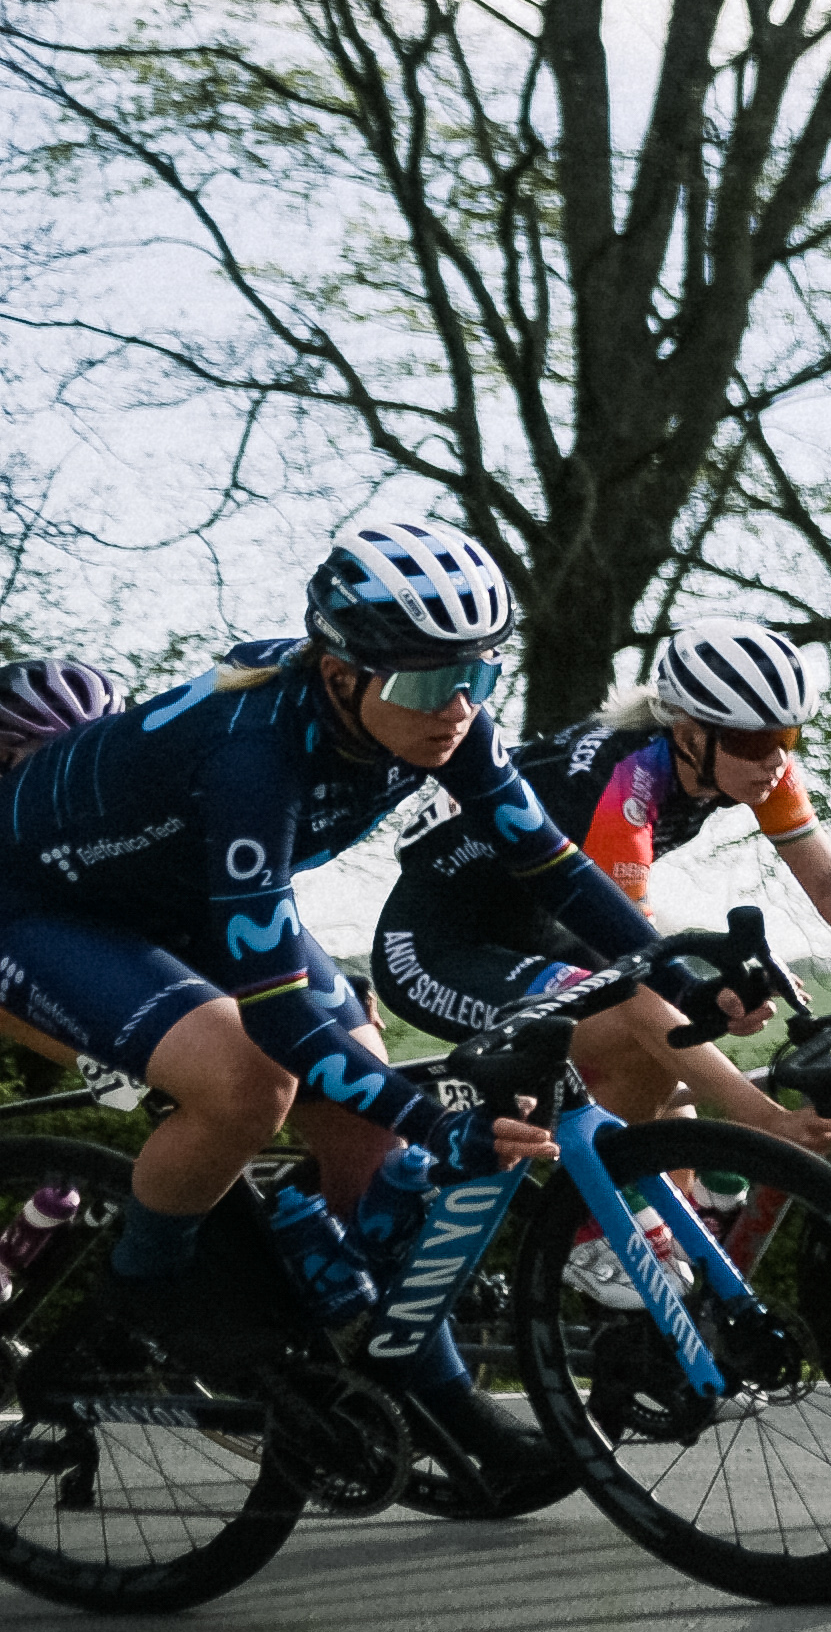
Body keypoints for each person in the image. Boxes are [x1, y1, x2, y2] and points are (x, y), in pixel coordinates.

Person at [0, 512, 651, 1396]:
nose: (459, 708)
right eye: (431, 687)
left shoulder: (442, 720)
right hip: (39, 905)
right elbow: (275, 1016)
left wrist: (677, 969)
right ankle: (146, 1284)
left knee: (368, 1125)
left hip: (182, 898)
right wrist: (439, 1124)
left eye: (480, 674)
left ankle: (394, 1376)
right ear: (343, 676)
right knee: (247, 1085)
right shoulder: (254, 751)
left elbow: (551, 867)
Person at [370, 622, 831, 1139]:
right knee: (647, 1026)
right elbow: (637, 965)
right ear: (687, 731)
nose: (773, 760)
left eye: (786, 737)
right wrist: (765, 1121)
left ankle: (662, 1264)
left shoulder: (754, 766)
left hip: (542, 931)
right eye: (753, 742)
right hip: (439, 948)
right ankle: (595, 1237)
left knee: (672, 1095)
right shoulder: (620, 782)